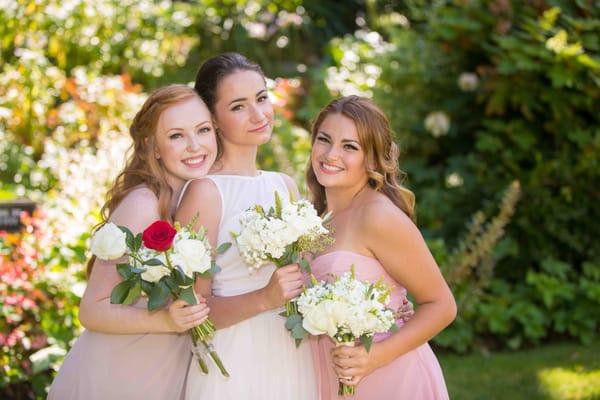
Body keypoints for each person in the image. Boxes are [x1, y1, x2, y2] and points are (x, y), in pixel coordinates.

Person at [48, 85, 217, 400]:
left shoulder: (194, 198)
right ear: (153, 147)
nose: (195, 145)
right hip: (116, 374)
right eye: (177, 136)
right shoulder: (143, 204)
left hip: (158, 371)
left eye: (203, 130)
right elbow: (91, 311)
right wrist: (167, 320)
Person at [176, 52, 317, 400]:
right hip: (235, 363)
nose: (258, 115)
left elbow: (304, 280)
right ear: (213, 118)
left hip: (289, 354)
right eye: (238, 106)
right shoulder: (204, 193)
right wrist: (264, 298)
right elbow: (193, 311)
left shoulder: (284, 185)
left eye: (261, 98)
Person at [306, 95, 455, 399]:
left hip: (390, 377)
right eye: (324, 140)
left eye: (350, 146)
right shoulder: (318, 218)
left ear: (372, 158)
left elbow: (442, 305)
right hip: (332, 376)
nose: (331, 154)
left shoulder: (377, 215)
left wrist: (374, 357)